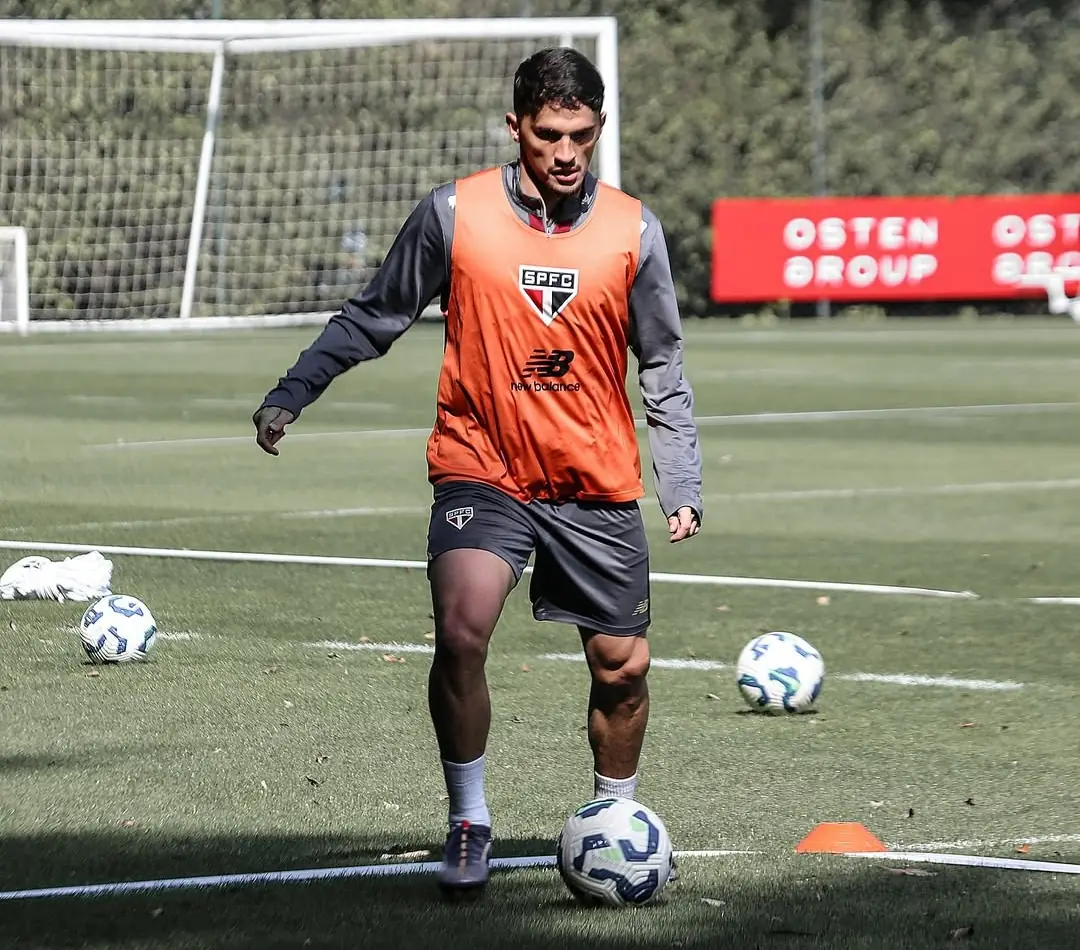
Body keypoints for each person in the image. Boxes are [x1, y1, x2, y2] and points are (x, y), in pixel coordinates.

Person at [252, 46, 703, 899]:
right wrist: (293, 392)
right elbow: (376, 314)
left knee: (622, 667)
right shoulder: (453, 213)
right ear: (515, 127)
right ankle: (468, 819)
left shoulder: (633, 229)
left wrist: (681, 477)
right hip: (482, 467)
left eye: (580, 136)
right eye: (547, 134)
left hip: (592, 479)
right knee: (461, 633)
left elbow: (662, 360)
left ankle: (614, 818)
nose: (564, 153)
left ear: (600, 128)